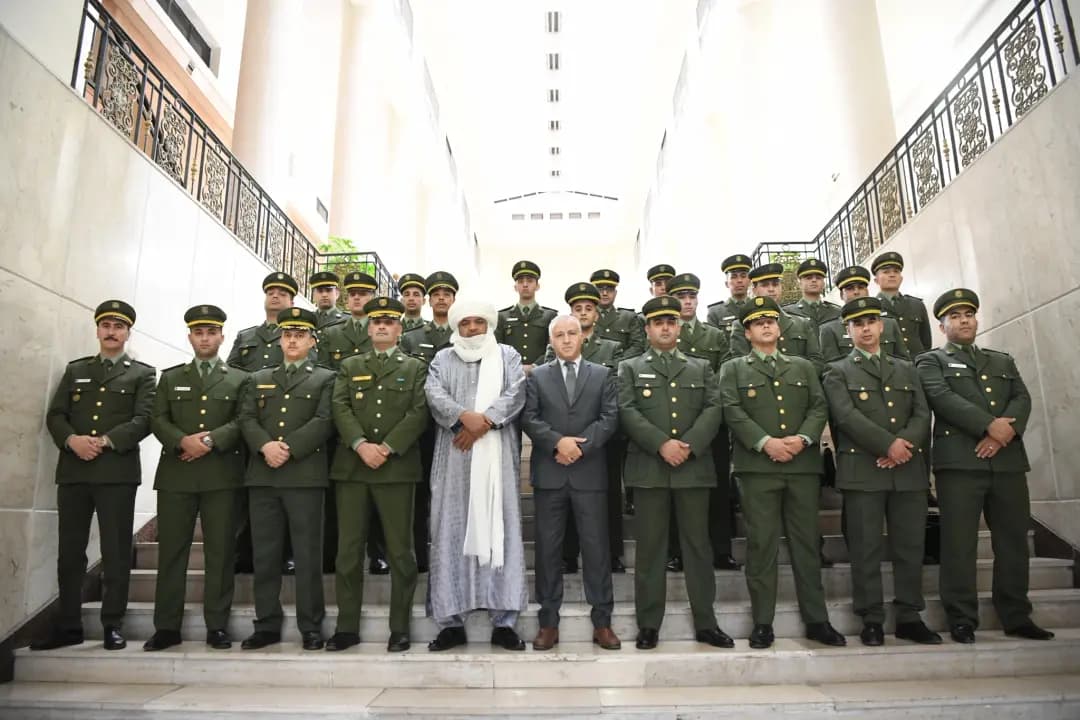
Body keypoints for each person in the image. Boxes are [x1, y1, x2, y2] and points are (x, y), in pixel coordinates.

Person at [916, 289, 1054, 644]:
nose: (964, 321)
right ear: (942, 325)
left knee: (1012, 542)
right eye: (956, 316)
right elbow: (942, 399)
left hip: (1006, 461)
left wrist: (1004, 433)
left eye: (969, 314)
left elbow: (1021, 398)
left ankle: (1016, 613)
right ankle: (961, 617)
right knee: (959, 544)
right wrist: (988, 426)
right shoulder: (931, 361)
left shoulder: (1001, 360)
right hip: (961, 463)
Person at [719, 296, 845, 650]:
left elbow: (818, 406)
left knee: (807, 544)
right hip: (757, 468)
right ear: (747, 332)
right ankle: (763, 622)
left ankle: (817, 620)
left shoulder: (803, 367)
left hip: (802, 467)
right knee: (761, 546)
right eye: (758, 322)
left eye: (771, 321)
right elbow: (732, 409)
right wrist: (765, 442)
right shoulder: (733, 369)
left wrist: (803, 438)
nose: (766, 326)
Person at [32, 300, 155, 652]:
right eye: (106, 325)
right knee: (70, 553)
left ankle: (112, 624)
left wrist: (103, 442)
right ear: (98, 329)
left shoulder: (142, 373)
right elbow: (56, 414)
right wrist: (71, 440)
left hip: (116, 474)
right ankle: (69, 625)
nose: (111, 331)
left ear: (128, 332)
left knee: (116, 552)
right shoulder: (76, 370)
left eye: (119, 326)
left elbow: (143, 419)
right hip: (74, 472)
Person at [821, 297, 941, 646]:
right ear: (849, 330)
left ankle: (909, 615)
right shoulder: (838, 371)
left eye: (872, 321)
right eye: (858, 324)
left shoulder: (907, 369)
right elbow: (845, 417)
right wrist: (887, 445)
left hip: (907, 470)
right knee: (865, 547)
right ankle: (871, 617)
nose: (867, 328)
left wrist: (904, 445)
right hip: (865, 471)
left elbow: (922, 414)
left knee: (909, 545)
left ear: (882, 326)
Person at [618, 296, 732, 650]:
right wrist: (661, 445)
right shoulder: (630, 368)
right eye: (658, 322)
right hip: (650, 469)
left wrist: (689, 444)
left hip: (693, 468)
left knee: (698, 547)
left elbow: (714, 408)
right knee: (651, 550)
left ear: (679, 326)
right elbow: (627, 409)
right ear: (648, 328)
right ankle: (649, 624)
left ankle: (706, 622)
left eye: (670, 321)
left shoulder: (701, 367)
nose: (665, 327)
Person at [424, 296, 529, 652]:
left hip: (495, 455)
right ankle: (451, 621)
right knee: (450, 529)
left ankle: (504, 621)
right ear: (457, 326)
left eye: (478, 322)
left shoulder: (507, 356)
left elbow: (517, 391)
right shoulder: (443, 358)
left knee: (500, 526)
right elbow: (433, 392)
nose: (472, 328)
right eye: (465, 323)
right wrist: (461, 417)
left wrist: (482, 422)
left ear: (489, 324)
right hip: (455, 456)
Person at [144, 305, 249, 652]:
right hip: (177, 475)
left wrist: (207, 441)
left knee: (220, 553)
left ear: (222, 336)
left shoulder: (238, 379)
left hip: (222, 476)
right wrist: (181, 441)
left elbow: (242, 420)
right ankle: (166, 626)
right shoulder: (171, 377)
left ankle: (216, 625)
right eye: (198, 332)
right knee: (172, 553)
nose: (205, 338)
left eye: (211, 332)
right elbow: (158, 418)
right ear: (190, 337)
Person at [327, 297, 429, 653]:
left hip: (396, 470)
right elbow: (339, 406)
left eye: (389, 321)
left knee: (401, 551)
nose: (382, 326)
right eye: (376, 322)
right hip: (353, 469)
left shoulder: (416, 368)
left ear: (400, 328)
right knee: (348, 551)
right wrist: (359, 444)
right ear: (368, 328)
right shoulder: (350, 365)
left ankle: (399, 627)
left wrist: (385, 448)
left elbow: (419, 412)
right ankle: (346, 627)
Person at [238, 308, 336, 651]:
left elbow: (325, 421)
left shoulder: (325, 378)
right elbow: (246, 418)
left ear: (312, 340)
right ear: (280, 339)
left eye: (300, 334)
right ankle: (266, 624)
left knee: (308, 555)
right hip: (263, 476)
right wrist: (265, 446)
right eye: (287, 334)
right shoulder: (257, 377)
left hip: (304, 476)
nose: (292, 340)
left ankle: (310, 626)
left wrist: (289, 448)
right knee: (265, 555)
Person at [523, 314, 621, 651]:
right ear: (551, 341)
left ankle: (603, 622)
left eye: (572, 333)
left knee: (596, 549)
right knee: (548, 551)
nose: (566, 339)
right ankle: (548, 622)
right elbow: (529, 417)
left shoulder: (603, 374)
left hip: (589, 473)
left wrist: (579, 447)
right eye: (559, 335)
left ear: (583, 338)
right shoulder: (536, 377)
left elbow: (609, 418)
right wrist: (556, 443)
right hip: (550, 474)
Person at [543, 283, 626, 574]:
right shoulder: (553, 346)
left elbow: (614, 390)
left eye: (589, 308)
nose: (584, 313)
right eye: (578, 309)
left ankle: (614, 553)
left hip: (601, 438)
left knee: (609, 498)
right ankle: (568, 554)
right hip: (562, 438)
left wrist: (587, 440)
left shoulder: (612, 349)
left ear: (597, 314)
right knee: (564, 502)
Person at [317, 270, 389, 574]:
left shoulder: (385, 330)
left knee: (379, 497)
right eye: (353, 293)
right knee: (337, 496)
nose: (358, 297)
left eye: (364, 293)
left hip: (380, 424)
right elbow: (323, 375)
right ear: (346, 297)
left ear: (372, 297)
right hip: (341, 425)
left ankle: (378, 553)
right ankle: (333, 553)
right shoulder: (331, 333)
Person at [669, 273, 740, 572]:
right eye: (681, 297)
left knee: (718, 488)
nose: (687, 302)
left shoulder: (715, 336)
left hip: (711, 424)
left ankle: (721, 550)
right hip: (675, 424)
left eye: (691, 296)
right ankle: (678, 552)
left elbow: (724, 378)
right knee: (676, 492)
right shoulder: (667, 333)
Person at [399, 271, 459, 572]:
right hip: (422, 425)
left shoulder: (463, 335)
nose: (441, 298)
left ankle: (454, 556)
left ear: (453, 299)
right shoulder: (411, 338)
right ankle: (421, 557)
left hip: (455, 426)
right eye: (436, 294)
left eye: (447, 294)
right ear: (429, 299)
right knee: (420, 493)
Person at [729, 263, 824, 375]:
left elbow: (816, 360)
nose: (771, 290)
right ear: (754, 290)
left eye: (775, 285)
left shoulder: (801, 323)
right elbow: (742, 364)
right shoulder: (742, 325)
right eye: (765, 285)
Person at [819, 266, 910, 364]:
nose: (856, 292)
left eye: (861, 287)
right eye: (850, 289)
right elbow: (832, 368)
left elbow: (904, 362)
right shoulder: (829, 329)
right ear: (841, 295)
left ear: (867, 291)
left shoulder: (889, 323)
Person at [496, 260, 557, 371]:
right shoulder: (502, 317)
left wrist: (535, 366)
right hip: (511, 374)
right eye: (520, 281)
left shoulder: (550, 316)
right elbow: (498, 349)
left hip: (542, 373)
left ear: (537, 286)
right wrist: (516, 367)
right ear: (515, 287)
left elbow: (553, 348)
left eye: (529, 281)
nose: (525, 285)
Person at [872, 252, 932, 356]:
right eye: (886, 272)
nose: (892, 275)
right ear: (876, 280)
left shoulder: (916, 305)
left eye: (896, 271)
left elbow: (926, 342)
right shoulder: (872, 308)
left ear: (901, 278)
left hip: (917, 365)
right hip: (889, 367)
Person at [590, 269, 646, 358]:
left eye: (610, 289)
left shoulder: (629, 318)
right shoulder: (585, 317)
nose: (605, 293)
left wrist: (617, 362)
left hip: (621, 367)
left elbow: (638, 346)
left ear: (615, 293)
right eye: (600, 289)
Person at [783, 258, 841, 331]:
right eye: (808, 278)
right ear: (800, 284)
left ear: (823, 284)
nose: (814, 280)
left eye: (818, 278)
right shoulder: (788, 313)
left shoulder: (836, 312)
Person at [706, 254, 753, 334]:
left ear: (749, 281)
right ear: (726, 283)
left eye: (743, 276)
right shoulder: (715, 312)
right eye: (734, 277)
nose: (739, 280)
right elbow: (714, 343)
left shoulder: (758, 307)